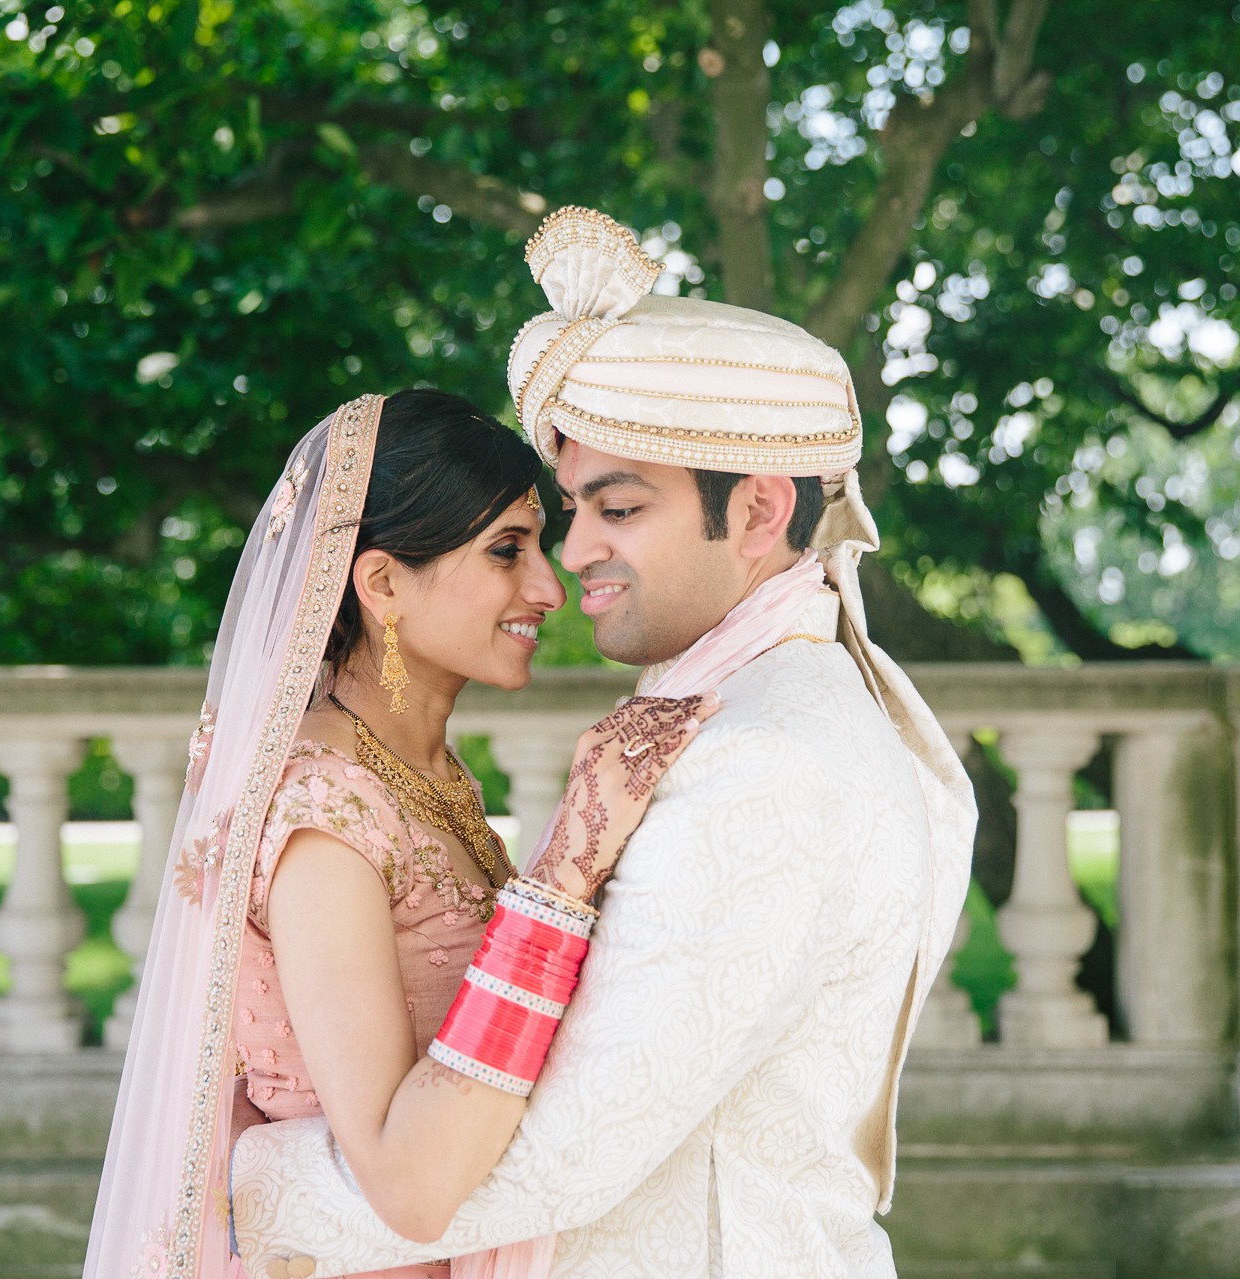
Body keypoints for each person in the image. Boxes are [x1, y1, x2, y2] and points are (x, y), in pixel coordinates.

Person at [229, 207, 978, 1278]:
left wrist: (253, 1184)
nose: (571, 560)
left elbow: (559, 1146)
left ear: (760, 508)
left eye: (615, 507)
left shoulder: (761, 756)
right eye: (555, 517)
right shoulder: (737, 710)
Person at [80, 387, 715, 1279]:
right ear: (381, 583)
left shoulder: (421, 770)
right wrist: (570, 860)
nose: (549, 587)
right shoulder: (326, 822)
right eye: (507, 551)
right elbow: (407, 1183)